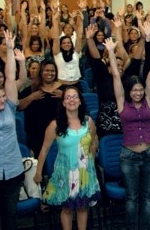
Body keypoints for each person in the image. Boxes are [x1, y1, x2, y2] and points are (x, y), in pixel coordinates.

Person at [105, 35, 150, 230]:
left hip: (149, 155)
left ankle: (145, 227)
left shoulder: (147, 99)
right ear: (129, 91)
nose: (138, 93)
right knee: (132, 197)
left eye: (140, 90)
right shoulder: (122, 103)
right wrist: (112, 52)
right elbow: (115, 75)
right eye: (134, 90)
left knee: (147, 196)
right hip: (129, 156)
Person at [34, 87, 100, 230]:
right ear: (63, 102)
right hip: (65, 173)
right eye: (68, 97)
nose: (72, 100)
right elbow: (44, 150)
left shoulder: (88, 122)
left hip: (84, 172)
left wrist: (91, 163)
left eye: (75, 97)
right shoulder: (55, 125)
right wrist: (38, 173)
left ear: (80, 101)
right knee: (67, 209)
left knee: (82, 207)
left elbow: (94, 141)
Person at [0, 31, 24, 230]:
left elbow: (10, 77)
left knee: (11, 217)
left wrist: (10, 50)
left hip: (12, 169)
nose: (3, 100)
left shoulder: (9, 106)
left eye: (3, 96)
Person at [18, 60, 63, 158]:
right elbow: (18, 106)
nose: (50, 73)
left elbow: (78, 104)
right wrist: (31, 97)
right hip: (36, 136)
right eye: (46, 70)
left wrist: (64, 96)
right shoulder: (32, 89)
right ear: (41, 72)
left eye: (52, 71)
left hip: (58, 134)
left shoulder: (63, 89)